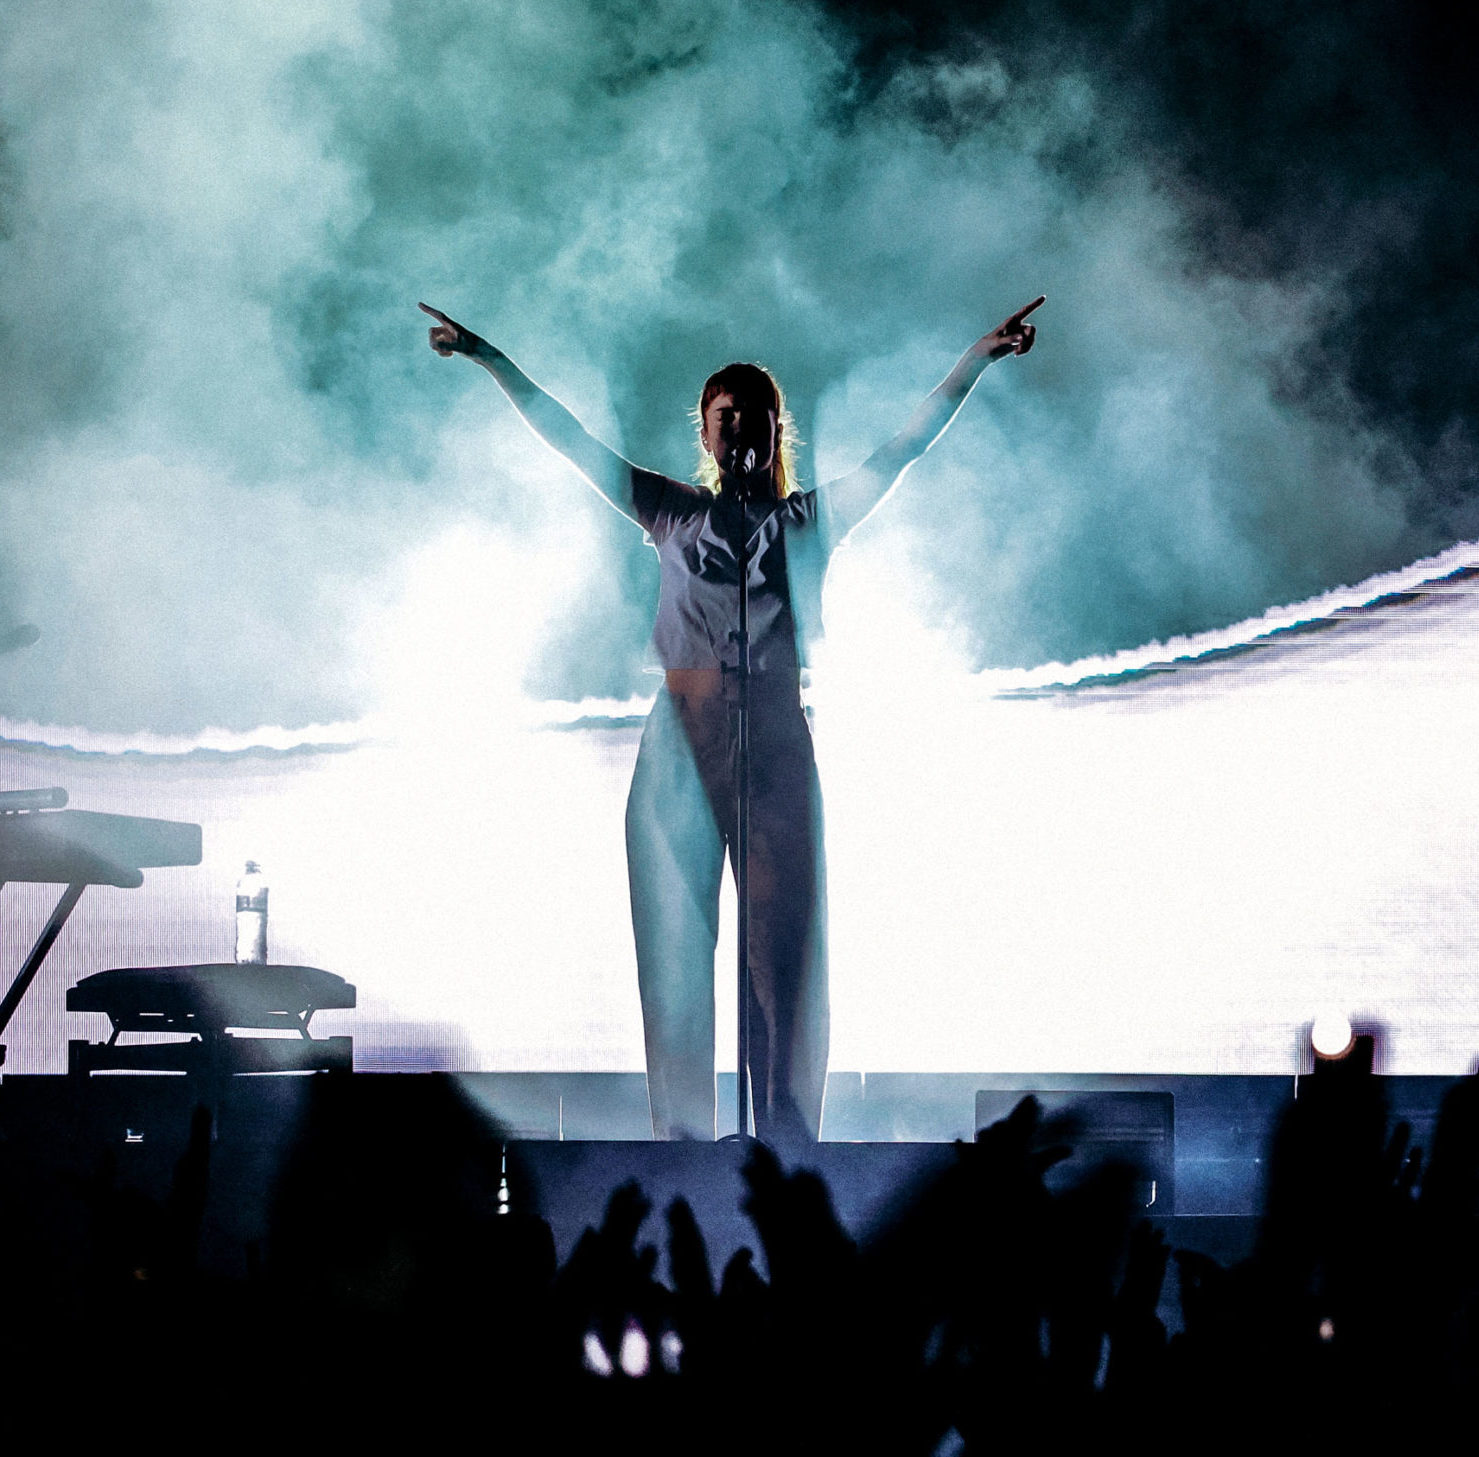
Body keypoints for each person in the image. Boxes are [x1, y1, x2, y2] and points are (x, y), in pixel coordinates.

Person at [421, 296, 1043, 1151]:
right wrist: (488, 357)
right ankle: (682, 1149)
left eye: (757, 422)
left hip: (776, 742)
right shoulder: (671, 513)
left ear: (775, 434)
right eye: (725, 421)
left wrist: (977, 359)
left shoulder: (808, 519)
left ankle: (786, 1152)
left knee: (782, 964)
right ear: (706, 436)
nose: (741, 435)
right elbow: (571, 443)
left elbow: (903, 449)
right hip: (681, 737)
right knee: (676, 958)